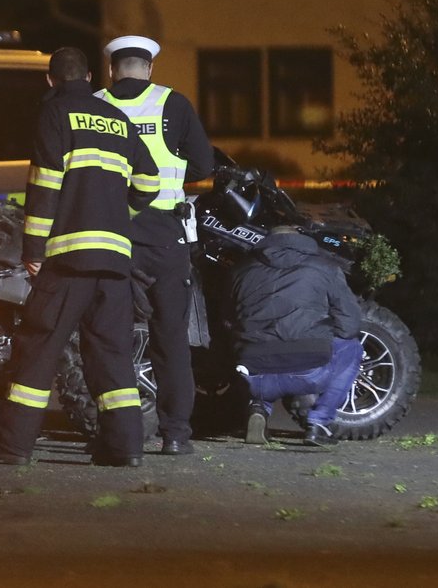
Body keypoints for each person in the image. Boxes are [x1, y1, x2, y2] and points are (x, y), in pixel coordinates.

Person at [0, 46, 159, 467]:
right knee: (111, 354)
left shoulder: (54, 116)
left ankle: (13, 444)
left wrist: (34, 250)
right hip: (114, 261)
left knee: (39, 346)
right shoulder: (116, 118)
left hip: (68, 259)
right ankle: (125, 447)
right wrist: (117, 214)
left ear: (50, 80)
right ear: (91, 77)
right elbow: (149, 182)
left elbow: (44, 190)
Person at [95, 35, 214, 455]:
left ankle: (116, 432)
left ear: (112, 69)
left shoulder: (93, 105)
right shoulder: (173, 104)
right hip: (164, 235)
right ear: (149, 69)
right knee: (170, 337)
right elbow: (202, 166)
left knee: (111, 336)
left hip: (108, 235)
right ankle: (176, 433)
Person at [228, 226, 363, 446]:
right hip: (310, 372)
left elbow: (228, 318)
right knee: (352, 347)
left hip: (253, 376)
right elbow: (350, 324)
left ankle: (259, 408)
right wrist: (323, 331)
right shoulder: (325, 268)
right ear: (301, 240)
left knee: (257, 347)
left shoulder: (240, 270)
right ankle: (318, 424)